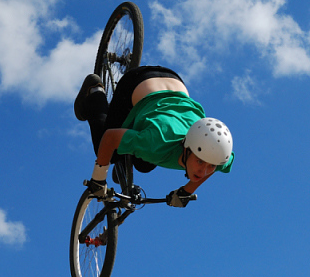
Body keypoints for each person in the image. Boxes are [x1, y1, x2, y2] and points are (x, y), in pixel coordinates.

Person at [74, 65, 234, 205]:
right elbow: (110, 138)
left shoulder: (217, 153)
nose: (203, 171)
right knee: (106, 150)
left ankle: (128, 148)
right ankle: (94, 91)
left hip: (175, 81)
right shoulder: (155, 143)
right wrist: (98, 180)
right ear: (187, 147)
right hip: (137, 82)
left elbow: (220, 164)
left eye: (211, 166)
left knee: (145, 165)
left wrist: (186, 191)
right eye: (199, 161)